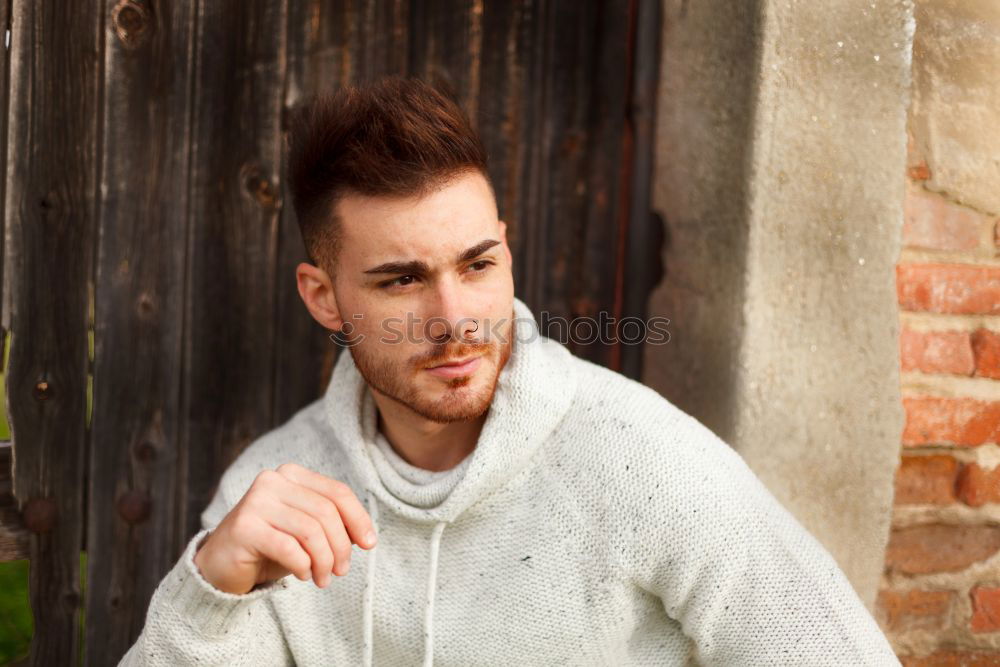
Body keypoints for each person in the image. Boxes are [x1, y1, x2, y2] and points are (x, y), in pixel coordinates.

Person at [120, 75, 900, 666]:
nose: (457, 318)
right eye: (402, 279)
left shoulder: (645, 462)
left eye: (478, 263)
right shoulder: (280, 495)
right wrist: (213, 585)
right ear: (323, 296)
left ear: (505, 247)